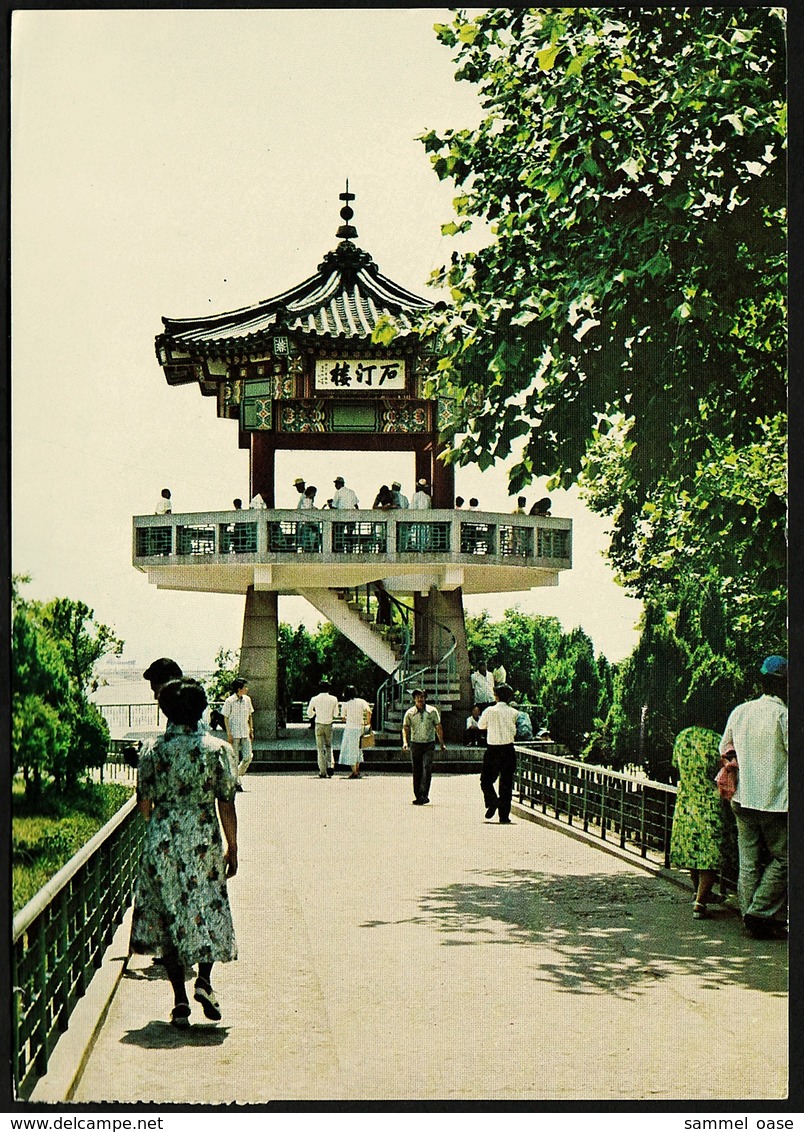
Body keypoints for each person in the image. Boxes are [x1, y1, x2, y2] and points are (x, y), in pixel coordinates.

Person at [130, 678, 237, 1028]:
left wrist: (164, 816)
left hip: (164, 841)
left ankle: (178, 1001)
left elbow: (144, 805)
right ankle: (204, 981)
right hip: (204, 839)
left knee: (170, 916)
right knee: (207, 906)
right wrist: (232, 846)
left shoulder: (152, 749)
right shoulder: (217, 750)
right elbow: (226, 801)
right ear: (202, 709)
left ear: (165, 711)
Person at [720, 655, 788, 939]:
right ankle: (758, 913)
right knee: (786, 858)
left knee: (747, 861)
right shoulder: (783, 716)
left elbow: (725, 748)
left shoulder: (741, 711)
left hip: (742, 798)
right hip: (775, 800)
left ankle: (749, 916)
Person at [669, 726, 729, 920]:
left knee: (693, 853)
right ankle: (700, 903)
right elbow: (725, 766)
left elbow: (676, 765)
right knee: (709, 857)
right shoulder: (716, 739)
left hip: (687, 802)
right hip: (709, 804)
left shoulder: (682, 737)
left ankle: (699, 893)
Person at [478, 683, 519, 824]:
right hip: (508, 749)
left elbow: (480, 725)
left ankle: (493, 801)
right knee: (506, 784)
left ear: (496, 696)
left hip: (493, 749)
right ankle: (504, 816)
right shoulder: (514, 712)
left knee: (486, 781)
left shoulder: (490, 711)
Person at [402, 688, 446, 805]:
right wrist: (405, 742)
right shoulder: (410, 713)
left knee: (427, 768)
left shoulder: (432, 711)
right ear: (414, 699)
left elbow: (438, 727)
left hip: (429, 744)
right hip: (415, 743)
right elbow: (405, 728)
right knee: (417, 770)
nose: (420, 700)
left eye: (422, 697)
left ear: (425, 698)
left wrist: (441, 742)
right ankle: (418, 795)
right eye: (417, 697)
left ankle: (424, 794)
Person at [222, 678, 255, 792]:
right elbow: (225, 717)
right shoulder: (229, 701)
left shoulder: (247, 700)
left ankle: (236, 775)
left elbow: (250, 715)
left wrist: (251, 729)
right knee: (234, 758)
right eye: (244, 687)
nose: (247, 689)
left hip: (245, 732)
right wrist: (228, 733)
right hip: (234, 732)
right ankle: (236, 782)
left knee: (248, 756)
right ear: (239, 689)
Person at [338, 685, 372, 778]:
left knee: (351, 749)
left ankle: (354, 771)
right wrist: (367, 722)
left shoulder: (345, 704)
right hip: (360, 727)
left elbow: (343, 718)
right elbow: (369, 711)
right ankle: (357, 768)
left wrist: (350, 719)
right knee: (358, 749)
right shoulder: (362, 701)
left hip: (350, 728)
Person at [307, 680, 339, 778]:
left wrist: (315, 714)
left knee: (320, 749)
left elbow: (309, 713)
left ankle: (322, 771)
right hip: (329, 724)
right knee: (329, 746)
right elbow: (336, 714)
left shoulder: (314, 699)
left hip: (319, 724)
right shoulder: (334, 699)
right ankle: (330, 765)